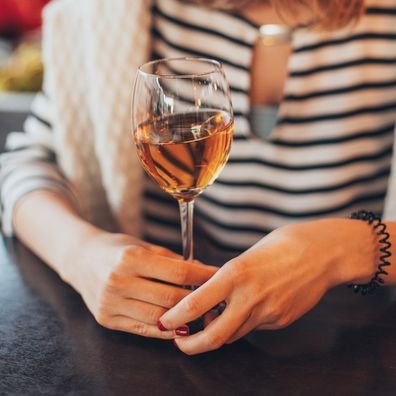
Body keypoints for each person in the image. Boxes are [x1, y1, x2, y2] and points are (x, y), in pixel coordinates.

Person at [1, 0, 396, 355]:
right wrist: (79, 253)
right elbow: (25, 163)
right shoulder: (109, 12)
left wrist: (346, 250)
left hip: (339, 345)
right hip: (150, 346)